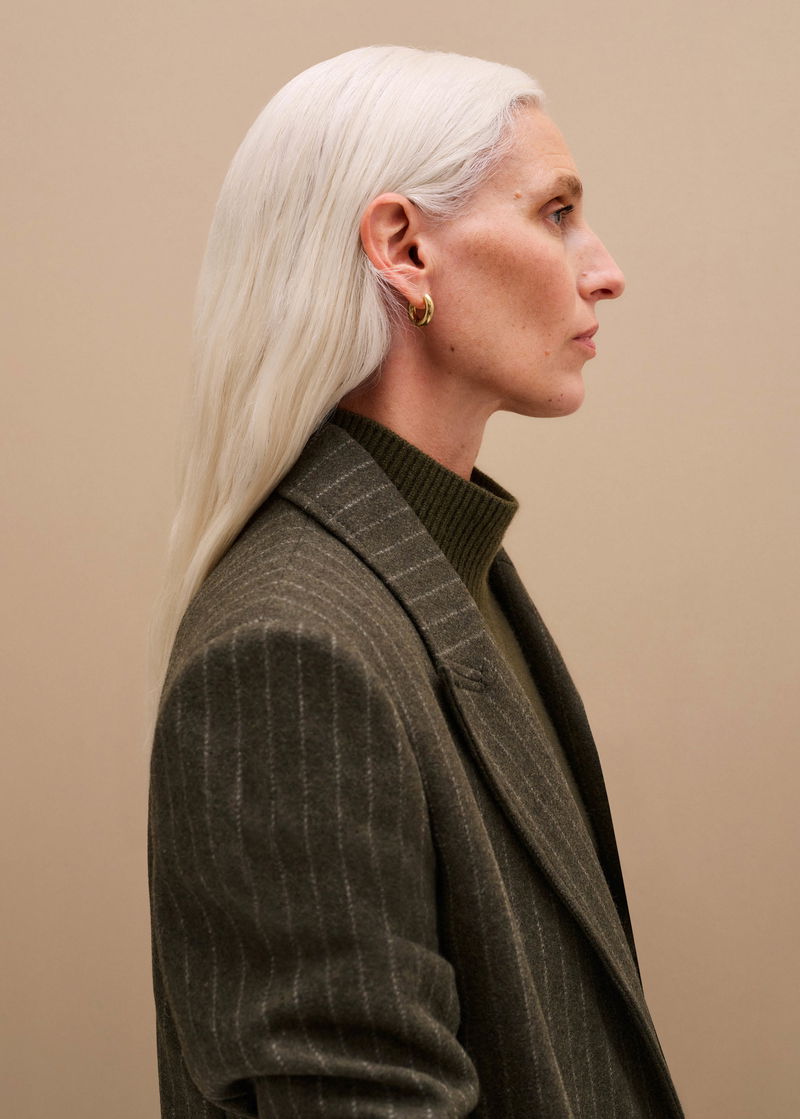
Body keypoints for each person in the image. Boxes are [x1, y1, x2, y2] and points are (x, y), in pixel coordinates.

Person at [148, 45, 684, 1117]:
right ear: (402, 248)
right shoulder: (291, 654)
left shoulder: (441, 566)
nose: (604, 270)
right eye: (556, 213)